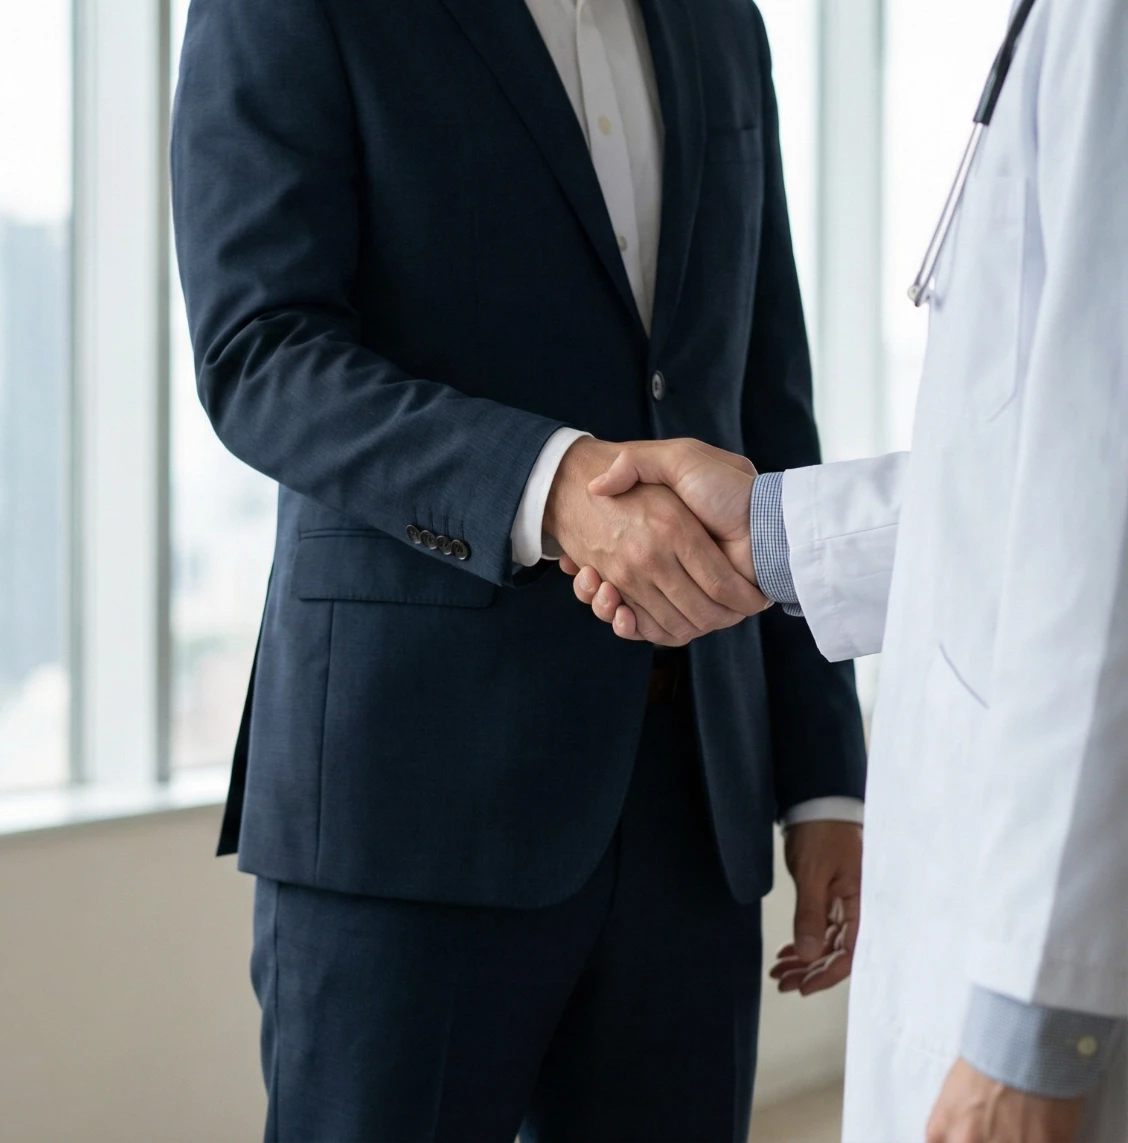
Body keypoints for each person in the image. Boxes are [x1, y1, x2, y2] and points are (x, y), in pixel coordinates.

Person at [170, 0, 865, 1137]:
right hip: (407, 795)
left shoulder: (719, 25)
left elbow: (764, 402)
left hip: (692, 796)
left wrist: (820, 776)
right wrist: (546, 489)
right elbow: (260, 350)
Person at [562, 2, 1128, 1138]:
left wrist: (1033, 1027)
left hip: (1022, 948)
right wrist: (768, 533)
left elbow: (1096, 525)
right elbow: (1027, 485)